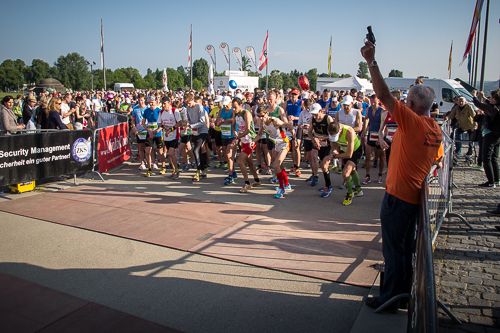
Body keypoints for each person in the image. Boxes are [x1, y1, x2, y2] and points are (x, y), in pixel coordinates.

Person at [361, 40, 443, 313]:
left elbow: (383, 94)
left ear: (410, 104)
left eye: (406, 102)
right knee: (404, 250)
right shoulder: (435, 130)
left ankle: (389, 299)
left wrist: (372, 61)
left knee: (393, 252)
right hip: (415, 198)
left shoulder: (413, 122)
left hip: (398, 197)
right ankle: (403, 295)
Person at [254, 105, 294, 198]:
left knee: (275, 165)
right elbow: (259, 135)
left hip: (284, 144)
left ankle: (281, 188)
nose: (261, 118)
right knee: (278, 165)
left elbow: (290, 125)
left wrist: (294, 139)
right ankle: (287, 184)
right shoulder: (262, 123)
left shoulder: (275, 121)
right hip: (277, 144)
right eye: (259, 116)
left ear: (267, 113)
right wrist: (253, 142)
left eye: (262, 116)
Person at [327, 121, 364, 205]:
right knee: (352, 170)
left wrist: (333, 156)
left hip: (355, 151)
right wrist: (335, 151)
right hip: (344, 150)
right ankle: (359, 190)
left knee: (346, 174)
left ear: (339, 130)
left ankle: (349, 193)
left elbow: (349, 154)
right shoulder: (331, 129)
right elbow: (333, 143)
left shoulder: (349, 131)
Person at [472, 89, 500, 188]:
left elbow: (481, 106)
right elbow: (489, 105)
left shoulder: (493, 109)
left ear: (495, 99)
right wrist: (483, 98)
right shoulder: (497, 107)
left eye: (491, 97)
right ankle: (497, 179)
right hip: (497, 136)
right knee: (494, 158)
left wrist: (474, 97)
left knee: (486, 158)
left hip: (490, 135)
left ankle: (491, 182)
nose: (490, 98)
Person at [234, 97, 261, 193]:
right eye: (233, 107)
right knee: (249, 161)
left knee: (240, 161)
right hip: (244, 139)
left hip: (251, 139)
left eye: (235, 107)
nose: (234, 109)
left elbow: (248, 130)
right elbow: (234, 124)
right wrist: (235, 132)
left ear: (241, 105)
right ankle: (256, 180)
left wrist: (237, 138)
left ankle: (247, 183)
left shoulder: (246, 113)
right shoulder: (236, 113)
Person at [308, 102, 335, 196]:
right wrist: (314, 139)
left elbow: (333, 133)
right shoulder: (312, 119)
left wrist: (320, 139)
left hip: (328, 142)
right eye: (313, 114)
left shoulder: (328, 118)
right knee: (313, 155)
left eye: (316, 114)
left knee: (324, 165)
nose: (314, 116)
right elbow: (309, 132)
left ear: (321, 111)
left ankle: (328, 186)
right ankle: (315, 176)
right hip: (317, 141)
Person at [185, 93, 209, 181]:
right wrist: (188, 123)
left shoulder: (199, 107)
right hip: (195, 132)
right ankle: (203, 170)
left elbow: (202, 122)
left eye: (189, 103)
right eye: (186, 103)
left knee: (195, 150)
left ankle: (198, 171)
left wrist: (192, 125)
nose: (188, 105)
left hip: (202, 131)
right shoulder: (188, 108)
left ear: (192, 100)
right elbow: (189, 119)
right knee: (197, 151)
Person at [362, 95, 386, 184]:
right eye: (371, 102)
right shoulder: (368, 109)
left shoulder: (382, 111)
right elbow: (366, 119)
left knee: (380, 156)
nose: (372, 104)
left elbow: (385, 125)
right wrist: (364, 129)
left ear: (378, 102)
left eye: (374, 102)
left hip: (379, 134)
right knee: (368, 156)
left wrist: (381, 137)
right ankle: (367, 175)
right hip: (371, 134)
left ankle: (380, 175)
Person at [158, 96, 182, 179]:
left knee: (171, 153)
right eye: (162, 104)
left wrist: (171, 129)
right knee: (170, 154)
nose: (163, 105)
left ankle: (177, 171)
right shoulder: (161, 112)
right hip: (166, 136)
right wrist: (163, 126)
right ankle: (174, 170)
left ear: (169, 103)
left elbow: (179, 123)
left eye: (164, 103)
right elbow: (159, 123)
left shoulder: (174, 111)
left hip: (174, 135)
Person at [216, 96, 238, 185]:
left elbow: (234, 119)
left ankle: (230, 176)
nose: (225, 107)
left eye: (227, 105)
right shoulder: (221, 110)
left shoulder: (233, 111)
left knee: (229, 155)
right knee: (226, 155)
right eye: (224, 105)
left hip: (232, 136)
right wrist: (218, 121)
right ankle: (233, 171)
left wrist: (224, 121)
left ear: (230, 103)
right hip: (224, 135)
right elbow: (217, 120)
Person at [285, 88, 302, 176]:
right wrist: (287, 119)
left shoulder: (301, 103)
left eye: (295, 94)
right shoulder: (287, 102)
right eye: (292, 94)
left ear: (298, 95)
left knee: (297, 146)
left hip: (298, 126)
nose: (293, 96)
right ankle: (294, 165)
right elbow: (283, 113)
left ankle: (298, 167)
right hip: (290, 127)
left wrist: (295, 118)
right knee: (292, 147)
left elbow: (304, 116)